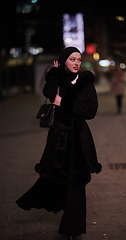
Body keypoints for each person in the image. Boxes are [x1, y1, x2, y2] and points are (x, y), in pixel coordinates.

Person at [16, 47, 102, 240]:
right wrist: (54, 75)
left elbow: (91, 111)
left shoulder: (87, 82)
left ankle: (73, 228)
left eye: (79, 59)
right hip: (59, 140)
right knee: (58, 178)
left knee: (77, 181)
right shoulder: (59, 80)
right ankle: (63, 210)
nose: (77, 63)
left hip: (79, 139)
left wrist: (65, 104)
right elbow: (47, 93)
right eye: (72, 59)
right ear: (65, 61)